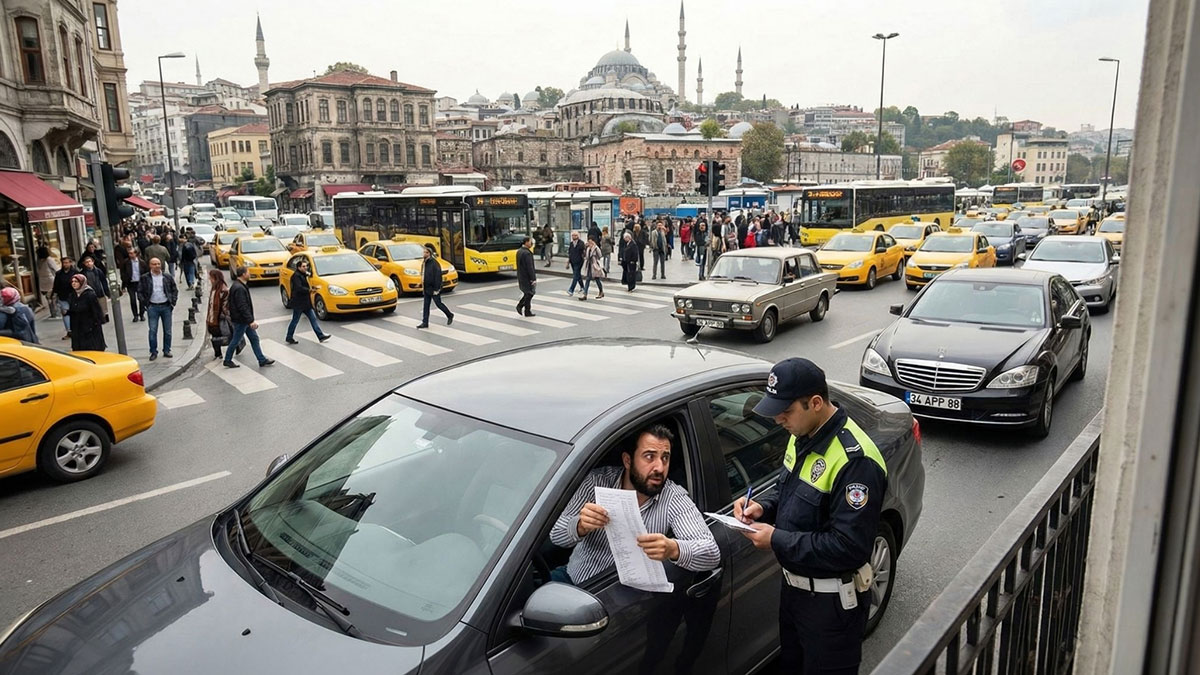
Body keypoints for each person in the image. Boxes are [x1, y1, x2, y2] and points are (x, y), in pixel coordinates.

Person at [734, 358, 888, 674]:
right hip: (794, 594)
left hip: (832, 606)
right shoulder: (802, 433)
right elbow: (787, 490)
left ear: (815, 403)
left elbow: (848, 547)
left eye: (786, 411)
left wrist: (776, 539)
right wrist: (762, 506)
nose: (778, 419)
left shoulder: (855, 462)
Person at [549, 423, 720, 586]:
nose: (660, 468)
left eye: (665, 458)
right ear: (628, 461)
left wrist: (673, 549)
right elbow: (555, 534)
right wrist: (580, 525)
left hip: (628, 596)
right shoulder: (596, 481)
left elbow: (711, 553)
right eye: (649, 457)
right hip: (573, 579)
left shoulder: (673, 497)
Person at [222, 266, 274, 369]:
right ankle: (227, 360)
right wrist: (250, 321)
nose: (249, 274)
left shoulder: (238, 285)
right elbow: (242, 306)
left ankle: (261, 359)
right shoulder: (239, 288)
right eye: (248, 272)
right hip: (241, 320)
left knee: (254, 339)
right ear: (243, 274)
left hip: (243, 319)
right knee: (236, 340)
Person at [137, 257, 178, 360]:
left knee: (167, 331)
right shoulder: (145, 278)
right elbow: (140, 291)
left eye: (158, 264)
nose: (157, 266)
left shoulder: (167, 277)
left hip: (166, 306)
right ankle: (153, 351)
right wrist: (145, 304)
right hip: (152, 307)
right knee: (152, 330)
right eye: (154, 264)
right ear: (150, 265)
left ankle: (167, 350)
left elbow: (174, 289)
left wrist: (173, 302)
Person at [284, 258, 331, 343]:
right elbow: (299, 288)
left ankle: (320, 336)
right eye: (303, 266)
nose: (305, 268)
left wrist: (311, 287)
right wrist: (310, 290)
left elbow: (305, 283)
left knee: (313, 319)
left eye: (306, 266)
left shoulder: (302, 275)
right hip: (299, 303)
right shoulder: (296, 276)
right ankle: (289, 337)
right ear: (299, 267)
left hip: (306, 303)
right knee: (295, 320)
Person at [416, 244, 453, 328]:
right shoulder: (424, 262)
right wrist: (421, 283)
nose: (424, 254)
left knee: (438, 304)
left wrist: (437, 289)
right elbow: (424, 274)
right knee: (426, 306)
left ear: (429, 253)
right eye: (424, 252)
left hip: (433, 288)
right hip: (426, 287)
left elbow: (437, 276)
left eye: (426, 252)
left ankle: (449, 315)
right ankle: (425, 322)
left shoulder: (434, 263)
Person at [66, 274, 105, 351]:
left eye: (76, 281)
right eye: (72, 282)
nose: (73, 283)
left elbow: (96, 311)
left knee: (90, 348)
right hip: (77, 327)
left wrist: (95, 324)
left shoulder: (90, 294)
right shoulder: (73, 295)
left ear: (81, 282)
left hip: (89, 327)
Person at [206, 269, 234, 359]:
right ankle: (218, 353)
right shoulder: (214, 289)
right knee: (215, 336)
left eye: (211, 277)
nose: (209, 279)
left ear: (215, 278)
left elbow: (225, 306)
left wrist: (225, 317)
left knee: (220, 336)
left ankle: (221, 354)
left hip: (219, 318)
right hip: (211, 318)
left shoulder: (223, 290)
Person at [52, 256, 78, 339]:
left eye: (67, 263)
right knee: (66, 314)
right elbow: (56, 285)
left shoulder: (75, 273)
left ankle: (76, 330)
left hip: (74, 297)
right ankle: (69, 331)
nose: (65, 264)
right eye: (63, 263)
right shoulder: (59, 274)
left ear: (70, 263)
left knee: (75, 314)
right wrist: (54, 295)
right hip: (63, 297)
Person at [80, 255, 110, 323]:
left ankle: (104, 317)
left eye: (89, 261)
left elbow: (103, 281)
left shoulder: (98, 271)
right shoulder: (83, 273)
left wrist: (106, 291)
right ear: (84, 263)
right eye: (86, 262)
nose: (88, 263)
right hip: (90, 293)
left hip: (100, 291)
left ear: (93, 262)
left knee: (103, 306)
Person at [120, 248, 145, 321]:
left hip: (140, 283)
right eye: (129, 253)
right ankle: (135, 315)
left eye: (132, 253)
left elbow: (145, 272)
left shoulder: (142, 262)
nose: (130, 255)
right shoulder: (126, 262)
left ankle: (142, 314)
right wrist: (124, 283)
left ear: (136, 253)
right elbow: (123, 273)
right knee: (133, 299)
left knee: (141, 299)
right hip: (131, 283)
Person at [515, 236, 537, 317]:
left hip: (521, 275)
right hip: (527, 277)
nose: (531, 243)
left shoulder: (519, 251)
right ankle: (521, 306)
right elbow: (529, 267)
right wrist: (533, 278)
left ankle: (527, 310)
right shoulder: (527, 253)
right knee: (530, 293)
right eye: (530, 241)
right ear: (526, 242)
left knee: (528, 293)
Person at [35, 246, 59, 315]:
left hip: (42, 281)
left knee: (48, 297)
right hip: (50, 280)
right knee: (53, 296)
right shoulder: (49, 259)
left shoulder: (38, 261)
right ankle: (55, 311)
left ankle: (52, 312)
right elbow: (56, 269)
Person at [579, 236, 605, 301]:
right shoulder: (588, 248)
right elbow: (586, 256)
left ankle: (601, 291)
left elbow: (600, 256)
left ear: (593, 241)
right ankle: (585, 294)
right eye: (589, 241)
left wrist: (598, 264)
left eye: (591, 241)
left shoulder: (596, 248)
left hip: (595, 266)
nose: (590, 243)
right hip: (589, 266)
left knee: (597, 279)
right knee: (587, 280)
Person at [565, 230, 585, 297]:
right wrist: (568, 262)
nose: (574, 237)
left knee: (575, 276)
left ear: (578, 236)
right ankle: (582, 287)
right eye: (573, 235)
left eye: (575, 235)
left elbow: (583, 251)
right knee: (577, 275)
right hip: (572, 261)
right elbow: (570, 253)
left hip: (579, 261)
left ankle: (571, 290)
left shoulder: (581, 243)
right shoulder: (571, 244)